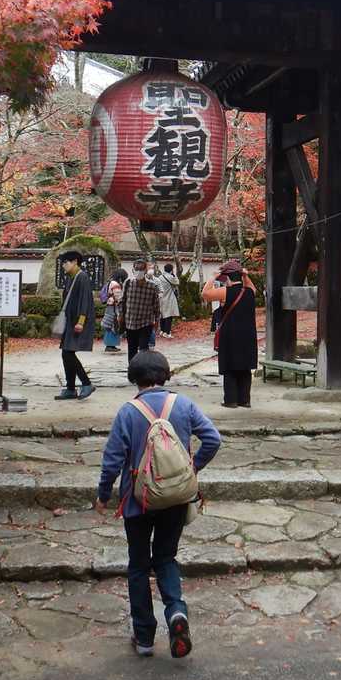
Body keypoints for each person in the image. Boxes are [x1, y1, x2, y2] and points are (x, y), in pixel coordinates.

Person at [96, 350, 221, 658]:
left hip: (138, 502)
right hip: (176, 499)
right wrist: (192, 468)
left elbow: (112, 461)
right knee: (165, 558)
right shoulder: (184, 405)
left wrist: (103, 494)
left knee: (139, 565)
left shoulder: (128, 412)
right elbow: (212, 439)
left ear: (134, 378)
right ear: (165, 374)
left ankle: (144, 638)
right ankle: (176, 611)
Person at [201, 258, 257, 408]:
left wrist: (213, 277)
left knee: (230, 365)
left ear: (227, 278)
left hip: (230, 334)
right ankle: (245, 400)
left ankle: (231, 400)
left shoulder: (225, 292)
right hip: (248, 334)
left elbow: (205, 294)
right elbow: (252, 287)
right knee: (245, 366)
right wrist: (245, 275)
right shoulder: (250, 292)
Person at [54, 250, 96, 400]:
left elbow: (85, 300)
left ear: (75, 262)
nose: (64, 265)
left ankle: (86, 383)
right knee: (66, 353)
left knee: (67, 353)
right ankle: (70, 388)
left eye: (66, 262)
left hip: (78, 322)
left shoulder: (82, 277)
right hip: (70, 321)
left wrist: (81, 322)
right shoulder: (71, 278)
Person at [120, 260, 160, 368]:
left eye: (141, 269)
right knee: (131, 348)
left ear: (145, 270)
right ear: (133, 270)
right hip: (130, 322)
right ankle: (132, 369)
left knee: (143, 348)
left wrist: (157, 320)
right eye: (136, 269)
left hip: (145, 322)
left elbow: (156, 305)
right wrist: (120, 315)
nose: (139, 271)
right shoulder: (128, 283)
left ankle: (143, 370)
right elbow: (122, 300)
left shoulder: (152, 286)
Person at [100, 268, 128, 353]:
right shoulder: (116, 284)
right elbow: (118, 298)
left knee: (109, 325)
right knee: (113, 325)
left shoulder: (110, 282)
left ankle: (110, 345)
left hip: (110, 307)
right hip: (114, 308)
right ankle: (110, 345)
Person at [155, 262, 181, 338]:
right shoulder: (170, 277)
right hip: (169, 298)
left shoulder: (160, 277)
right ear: (171, 270)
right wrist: (174, 275)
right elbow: (177, 282)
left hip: (161, 298)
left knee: (162, 315)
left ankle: (162, 331)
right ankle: (167, 332)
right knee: (169, 316)